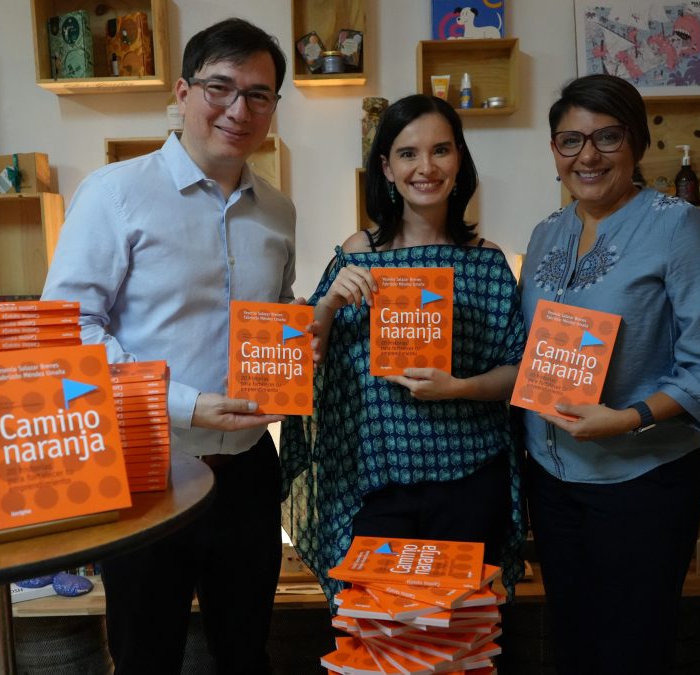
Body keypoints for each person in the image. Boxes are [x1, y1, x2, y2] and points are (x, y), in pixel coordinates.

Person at [41, 18, 295, 675]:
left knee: (246, 654)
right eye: (221, 87)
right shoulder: (115, 194)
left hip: (248, 470)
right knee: (145, 655)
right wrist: (187, 403)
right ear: (182, 92)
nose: (239, 110)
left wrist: (300, 339)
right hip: (147, 468)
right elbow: (70, 330)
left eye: (259, 95)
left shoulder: (277, 210)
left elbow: (272, 318)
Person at [520, 73, 700, 675]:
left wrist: (629, 417)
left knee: (632, 649)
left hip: (643, 482)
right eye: (570, 141)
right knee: (572, 640)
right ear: (554, 151)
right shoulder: (546, 234)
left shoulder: (680, 227)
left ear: (638, 143)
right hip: (553, 476)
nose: (587, 155)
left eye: (607, 137)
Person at [280, 94, 527, 607]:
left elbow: (518, 369)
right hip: (373, 480)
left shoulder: (487, 262)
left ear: (459, 161)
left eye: (441, 150)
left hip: (470, 476)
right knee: (375, 636)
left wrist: (457, 388)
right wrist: (325, 305)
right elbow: (308, 357)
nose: (426, 167)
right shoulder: (357, 253)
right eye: (408, 153)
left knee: (459, 638)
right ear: (386, 168)